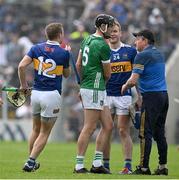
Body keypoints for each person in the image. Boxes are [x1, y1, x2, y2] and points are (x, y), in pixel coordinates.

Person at [18, 22, 71, 172]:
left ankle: (31, 160)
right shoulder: (63, 53)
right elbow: (67, 75)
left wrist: (23, 85)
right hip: (51, 95)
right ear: (60, 35)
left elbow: (21, 66)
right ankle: (30, 161)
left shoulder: (35, 48)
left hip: (36, 94)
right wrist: (68, 54)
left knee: (35, 129)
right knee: (44, 132)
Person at [121, 29, 169, 175]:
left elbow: (134, 79)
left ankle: (143, 167)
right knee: (159, 133)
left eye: (138, 39)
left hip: (152, 97)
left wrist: (124, 86)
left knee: (144, 132)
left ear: (145, 41)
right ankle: (162, 167)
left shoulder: (142, 56)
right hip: (163, 96)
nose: (135, 42)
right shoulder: (158, 53)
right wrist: (140, 98)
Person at [74, 14, 114, 174]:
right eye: (110, 26)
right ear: (103, 26)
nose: (111, 29)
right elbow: (108, 73)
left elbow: (78, 64)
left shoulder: (87, 39)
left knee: (109, 125)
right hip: (95, 88)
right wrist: (88, 86)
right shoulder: (103, 45)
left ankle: (97, 163)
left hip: (91, 87)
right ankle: (79, 165)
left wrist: (82, 84)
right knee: (89, 127)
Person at [102, 20, 140, 174]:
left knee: (123, 130)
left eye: (115, 31)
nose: (113, 34)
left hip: (124, 96)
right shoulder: (103, 51)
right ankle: (105, 165)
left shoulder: (131, 52)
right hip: (106, 95)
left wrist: (139, 97)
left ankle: (127, 166)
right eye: (110, 31)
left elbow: (137, 75)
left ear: (120, 33)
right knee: (106, 130)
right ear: (106, 34)